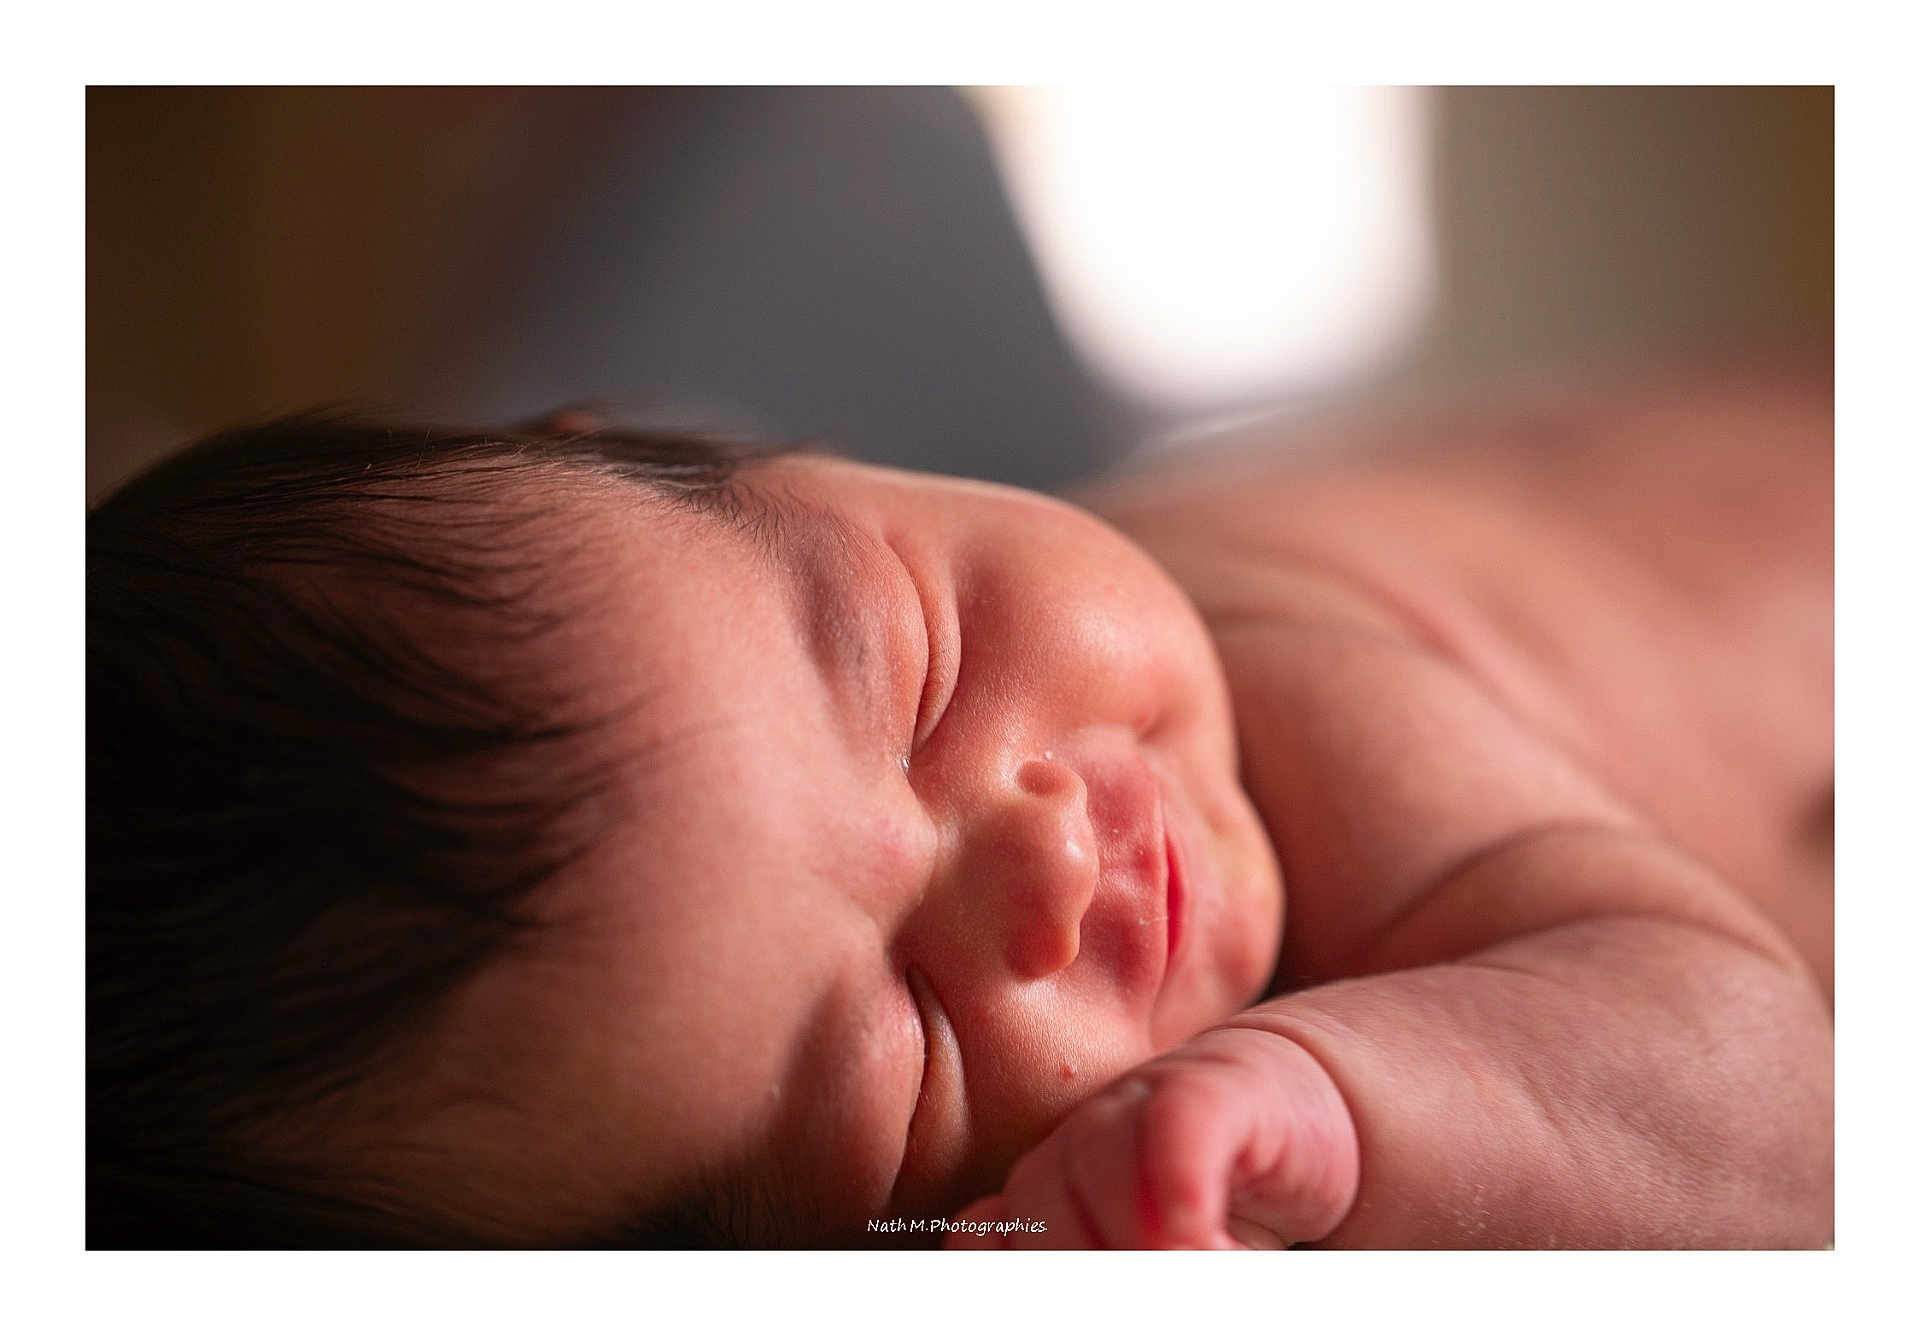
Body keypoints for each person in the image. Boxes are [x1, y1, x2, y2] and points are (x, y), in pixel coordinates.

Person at [86, 361, 1833, 1248]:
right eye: (908, 1045)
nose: (1046, 856)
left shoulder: (1275, 654)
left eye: (923, 672)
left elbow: (1778, 1116)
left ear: (755, 449)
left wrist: (1332, 1100)